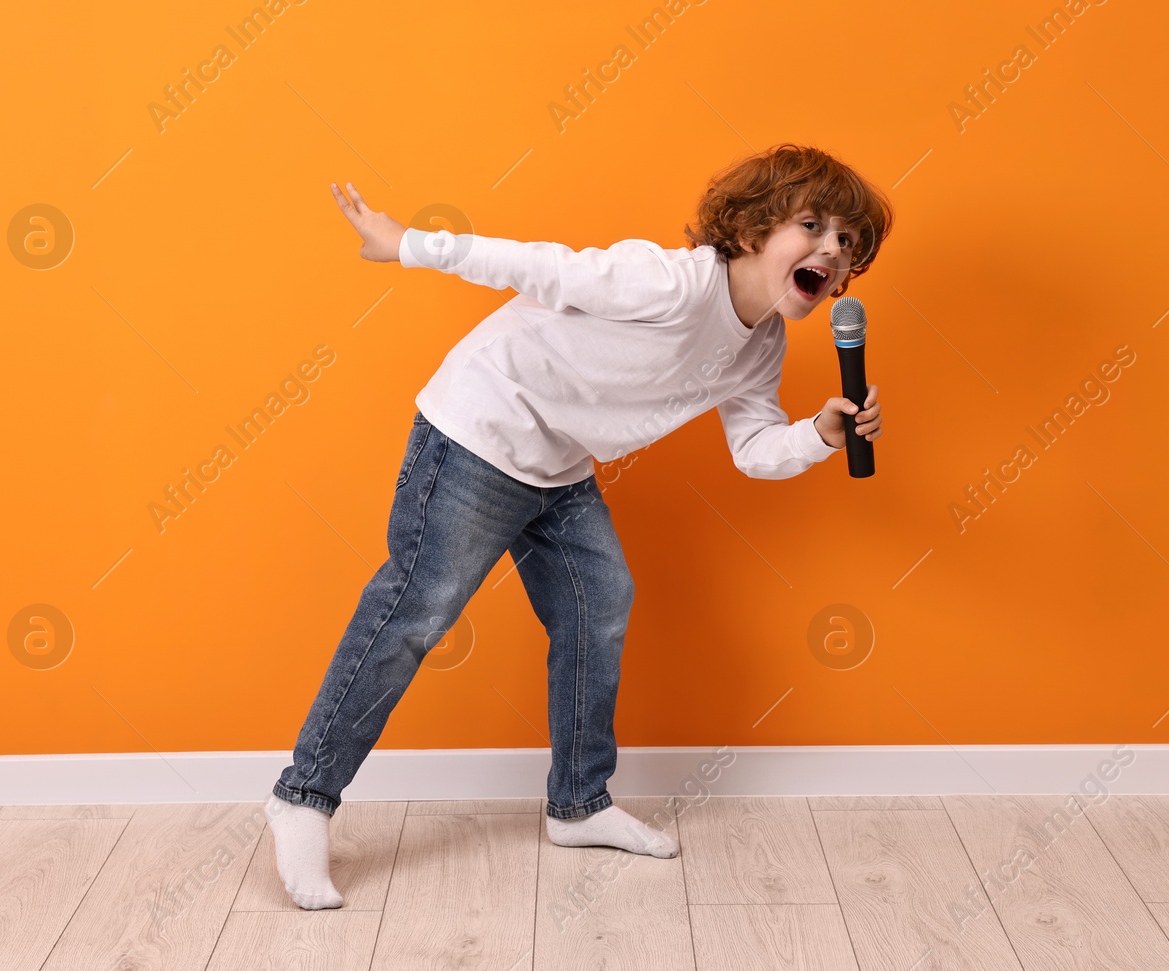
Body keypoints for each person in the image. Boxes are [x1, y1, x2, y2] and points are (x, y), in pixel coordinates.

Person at [266, 143, 891, 909]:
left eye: (848, 244)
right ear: (756, 229)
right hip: (481, 428)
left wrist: (821, 434)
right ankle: (303, 796)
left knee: (599, 604)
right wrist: (406, 244)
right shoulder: (671, 280)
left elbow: (755, 449)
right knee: (415, 612)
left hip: (558, 464)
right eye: (812, 226)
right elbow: (542, 266)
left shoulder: (762, 347)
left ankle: (579, 803)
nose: (832, 250)